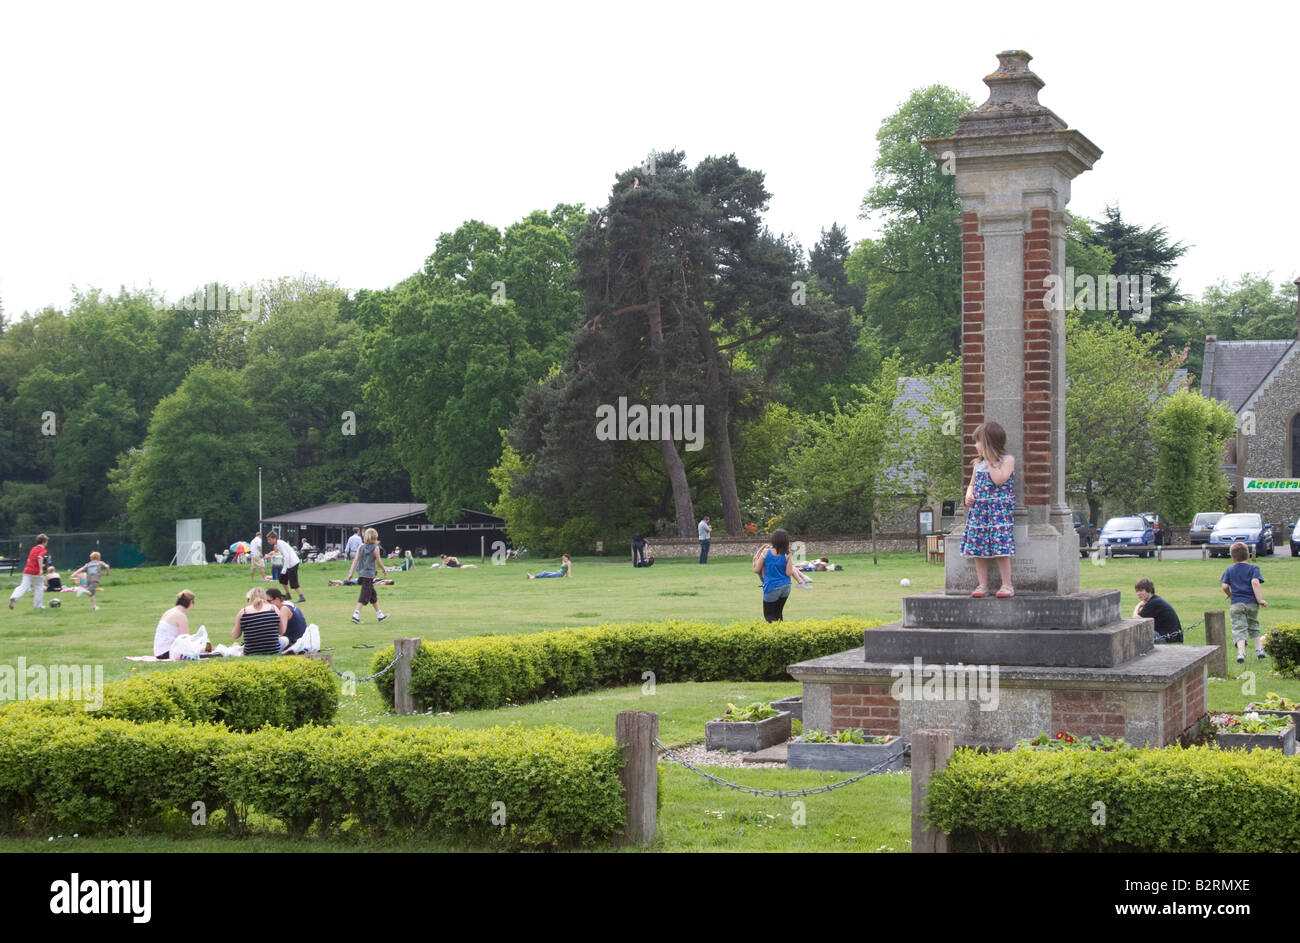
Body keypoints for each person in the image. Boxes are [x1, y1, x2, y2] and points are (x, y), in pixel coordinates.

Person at [960, 421, 1016, 598]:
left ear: (989, 443)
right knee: (979, 549)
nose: (976, 446)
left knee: (1000, 548)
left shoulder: (1006, 460)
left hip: (998, 512)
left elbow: (999, 480)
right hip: (980, 512)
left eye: (979, 442)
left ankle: (1007, 585)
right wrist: (969, 494)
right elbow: (972, 484)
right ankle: (982, 585)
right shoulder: (978, 465)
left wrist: (991, 460)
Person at [1221, 541, 1267, 663]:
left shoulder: (1229, 570)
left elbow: (1225, 586)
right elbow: (1255, 582)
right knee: (1254, 625)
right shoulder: (1254, 568)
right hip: (1251, 603)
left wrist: (1229, 594)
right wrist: (1259, 600)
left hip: (1236, 603)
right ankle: (1259, 650)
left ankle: (1241, 653)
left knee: (1239, 627)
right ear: (1248, 555)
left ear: (1232, 557)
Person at [752, 529, 810, 622]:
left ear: (773, 540)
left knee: (769, 616)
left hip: (771, 587)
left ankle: (775, 635)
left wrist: (755, 560)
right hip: (786, 587)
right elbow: (788, 573)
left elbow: (756, 570)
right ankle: (782, 633)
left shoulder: (766, 552)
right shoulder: (787, 554)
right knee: (778, 614)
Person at [345, 527, 388, 624]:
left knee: (373, 595)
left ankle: (380, 615)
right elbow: (379, 561)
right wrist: (384, 570)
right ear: (375, 537)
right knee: (364, 595)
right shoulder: (376, 548)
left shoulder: (361, 547)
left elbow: (355, 561)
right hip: (369, 575)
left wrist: (350, 574)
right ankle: (355, 615)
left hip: (362, 574)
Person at [233, 586, 285, 655]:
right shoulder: (274, 609)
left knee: (235, 644)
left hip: (250, 651)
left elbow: (235, 635)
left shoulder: (243, 612)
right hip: (273, 650)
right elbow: (281, 632)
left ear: (250, 598)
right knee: (285, 639)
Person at [1133, 578, 1183, 644]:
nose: (1138, 593)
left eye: (1141, 590)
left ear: (1149, 590)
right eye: (1137, 591)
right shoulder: (1155, 600)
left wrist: (1138, 606)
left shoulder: (1154, 603)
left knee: (1138, 631)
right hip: (1173, 637)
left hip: (1168, 638)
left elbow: (1135, 620)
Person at [8, 534, 50, 611]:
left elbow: (29, 559)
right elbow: (40, 557)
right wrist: (40, 569)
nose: (47, 543)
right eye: (46, 542)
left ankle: (14, 597)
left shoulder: (33, 549)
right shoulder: (43, 550)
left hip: (27, 570)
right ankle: (38, 606)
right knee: (39, 587)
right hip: (36, 572)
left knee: (23, 586)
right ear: (44, 542)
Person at [264, 531, 305, 603]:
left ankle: (301, 597)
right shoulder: (278, 543)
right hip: (289, 563)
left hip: (292, 563)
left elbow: (287, 556)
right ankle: (288, 594)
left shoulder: (279, 544)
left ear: (274, 538)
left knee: (293, 581)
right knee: (282, 579)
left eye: (269, 539)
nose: (268, 541)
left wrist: (284, 569)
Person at [154, 589, 196, 659]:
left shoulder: (168, 612)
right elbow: (184, 640)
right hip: (167, 652)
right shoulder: (181, 616)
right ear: (191, 602)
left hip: (159, 652)